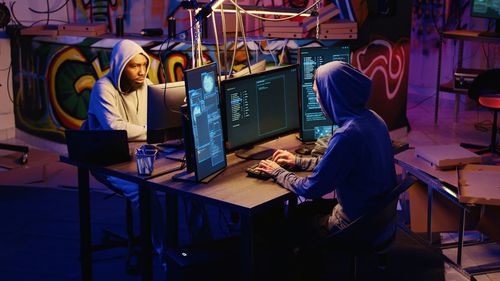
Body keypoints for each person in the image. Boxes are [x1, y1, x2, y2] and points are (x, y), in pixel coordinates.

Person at [256, 61, 397, 276]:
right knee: (304, 211)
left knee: (287, 224)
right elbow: (341, 165)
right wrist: (298, 161)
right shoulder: (373, 120)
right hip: (379, 220)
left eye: (318, 94)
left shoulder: (346, 136)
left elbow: (312, 188)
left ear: (333, 95)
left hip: (356, 227)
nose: (318, 100)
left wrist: (277, 172)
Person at [83, 39, 166, 266]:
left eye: (143, 65)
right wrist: (153, 133)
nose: (141, 71)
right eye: (134, 66)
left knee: (190, 181)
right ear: (120, 65)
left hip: (140, 154)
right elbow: (114, 127)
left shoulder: (147, 85)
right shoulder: (103, 88)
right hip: (107, 159)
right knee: (145, 192)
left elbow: (155, 120)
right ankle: (164, 252)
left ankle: (199, 244)